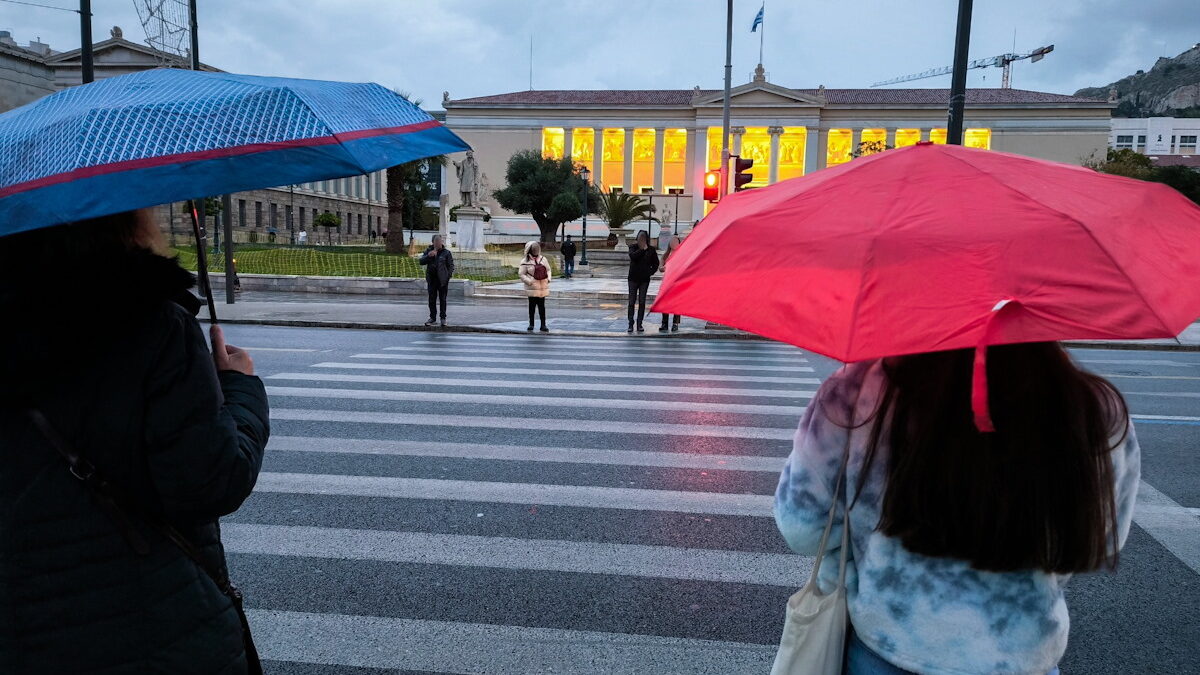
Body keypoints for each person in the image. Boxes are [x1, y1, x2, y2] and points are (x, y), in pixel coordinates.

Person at [0, 210, 270, 673]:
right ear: (124, 219)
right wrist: (239, 388)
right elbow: (209, 480)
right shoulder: (151, 324)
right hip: (148, 626)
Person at [774, 344, 1140, 675]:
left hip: (890, 646)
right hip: (1022, 656)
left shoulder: (855, 391)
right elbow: (1104, 540)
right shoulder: (1093, 407)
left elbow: (802, 528)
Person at [626, 230, 659, 333]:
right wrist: (642, 250)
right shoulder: (633, 247)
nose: (642, 240)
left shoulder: (651, 250)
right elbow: (633, 257)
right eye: (640, 238)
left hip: (644, 280)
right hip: (633, 279)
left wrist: (650, 272)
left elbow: (656, 263)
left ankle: (639, 323)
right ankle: (630, 323)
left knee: (642, 301)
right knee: (631, 302)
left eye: (644, 238)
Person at [419, 234, 455, 327]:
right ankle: (432, 318)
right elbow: (421, 261)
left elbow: (451, 265)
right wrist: (428, 256)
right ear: (433, 242)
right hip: (432, 279)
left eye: (440, 241)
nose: (438, 243)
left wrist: (448, 276)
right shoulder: (428, 251)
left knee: (442, 299)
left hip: (442, 280)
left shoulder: (446, 253)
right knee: (432, 299)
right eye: (436, 241)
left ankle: (443, 318)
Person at [518, 240, 551, 332]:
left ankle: (543, 325)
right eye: (533, 249)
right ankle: (531, 324)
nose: (535, 250)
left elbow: (548, 270)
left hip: (542, 287)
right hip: (532, 287)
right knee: (531, 307)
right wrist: (529, 282)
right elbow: (521, 274)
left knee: (542, 307)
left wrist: (548, 279)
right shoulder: (525, 261)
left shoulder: (543, 259)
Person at [658, 230, 682, 332]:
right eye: (672, 241)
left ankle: (675, 323)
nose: (673, 243)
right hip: (667, 282)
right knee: (665, 303)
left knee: (676, 304)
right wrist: (662, 267)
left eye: (676, 241)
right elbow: (660, 267)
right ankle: (664, 323)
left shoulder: (682, 255)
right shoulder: (666, 255)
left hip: (677, 283)